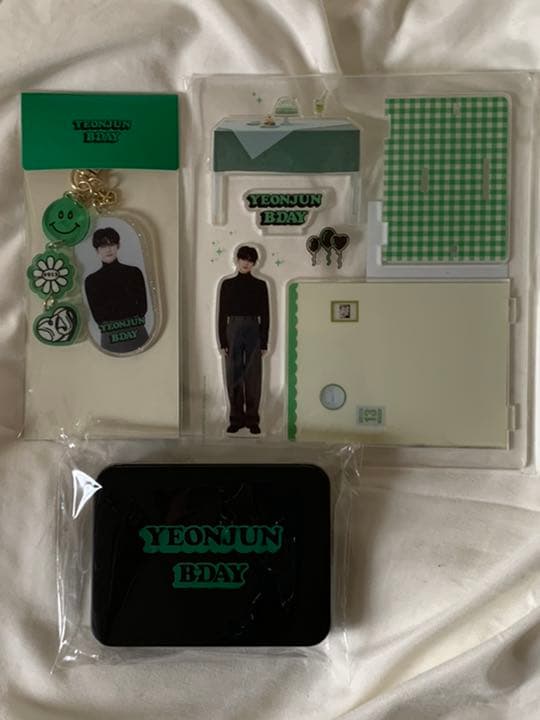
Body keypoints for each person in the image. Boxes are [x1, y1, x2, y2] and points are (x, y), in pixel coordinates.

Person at [218, 246, 270, 434]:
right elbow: (222, 314)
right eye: (243, 259)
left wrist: (264, 341)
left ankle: (252, 419)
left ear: (254, 263)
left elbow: (265, 314)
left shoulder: (260, 285)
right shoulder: (227, 284)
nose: (246, 263)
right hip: (233, 328)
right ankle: (236, 419)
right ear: (237, 260)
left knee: (253, 375)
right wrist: (223, 341)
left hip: (253, 328)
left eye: (250, 260)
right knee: (234, 373)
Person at [85, 227, 149, 353]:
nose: (108, 249)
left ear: (118, 246)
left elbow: (143, 308)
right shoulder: (91, 281)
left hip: (137, 332)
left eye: (111, 244)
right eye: (103, 246)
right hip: (111, 337)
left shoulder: (134, 273)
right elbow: (98, 317)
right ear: (97, 250)